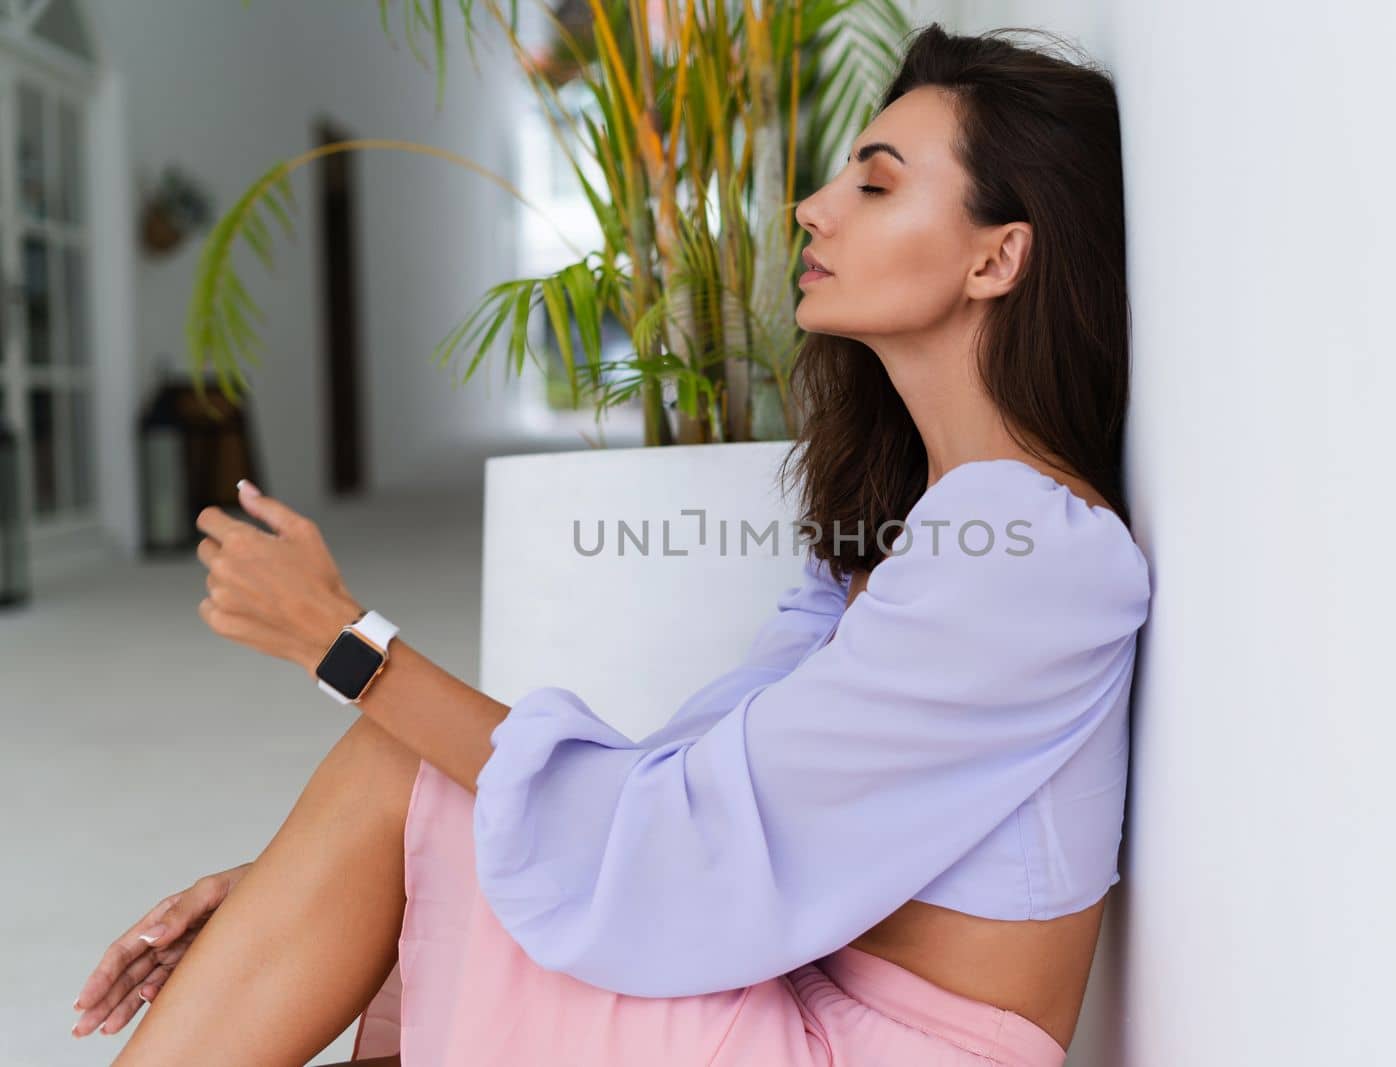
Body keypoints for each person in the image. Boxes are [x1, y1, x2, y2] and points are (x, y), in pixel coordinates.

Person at [71, 22, 1148, 1067]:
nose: (812, 210)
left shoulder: (1025, 552)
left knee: (395, 766)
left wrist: (346, 646)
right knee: (410, 806)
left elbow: (677, 844)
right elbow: (674, 786)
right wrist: (301, 882)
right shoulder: (905, 533)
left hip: (862, 1043)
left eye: (873, 183)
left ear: (998, 257)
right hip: (785, 996)